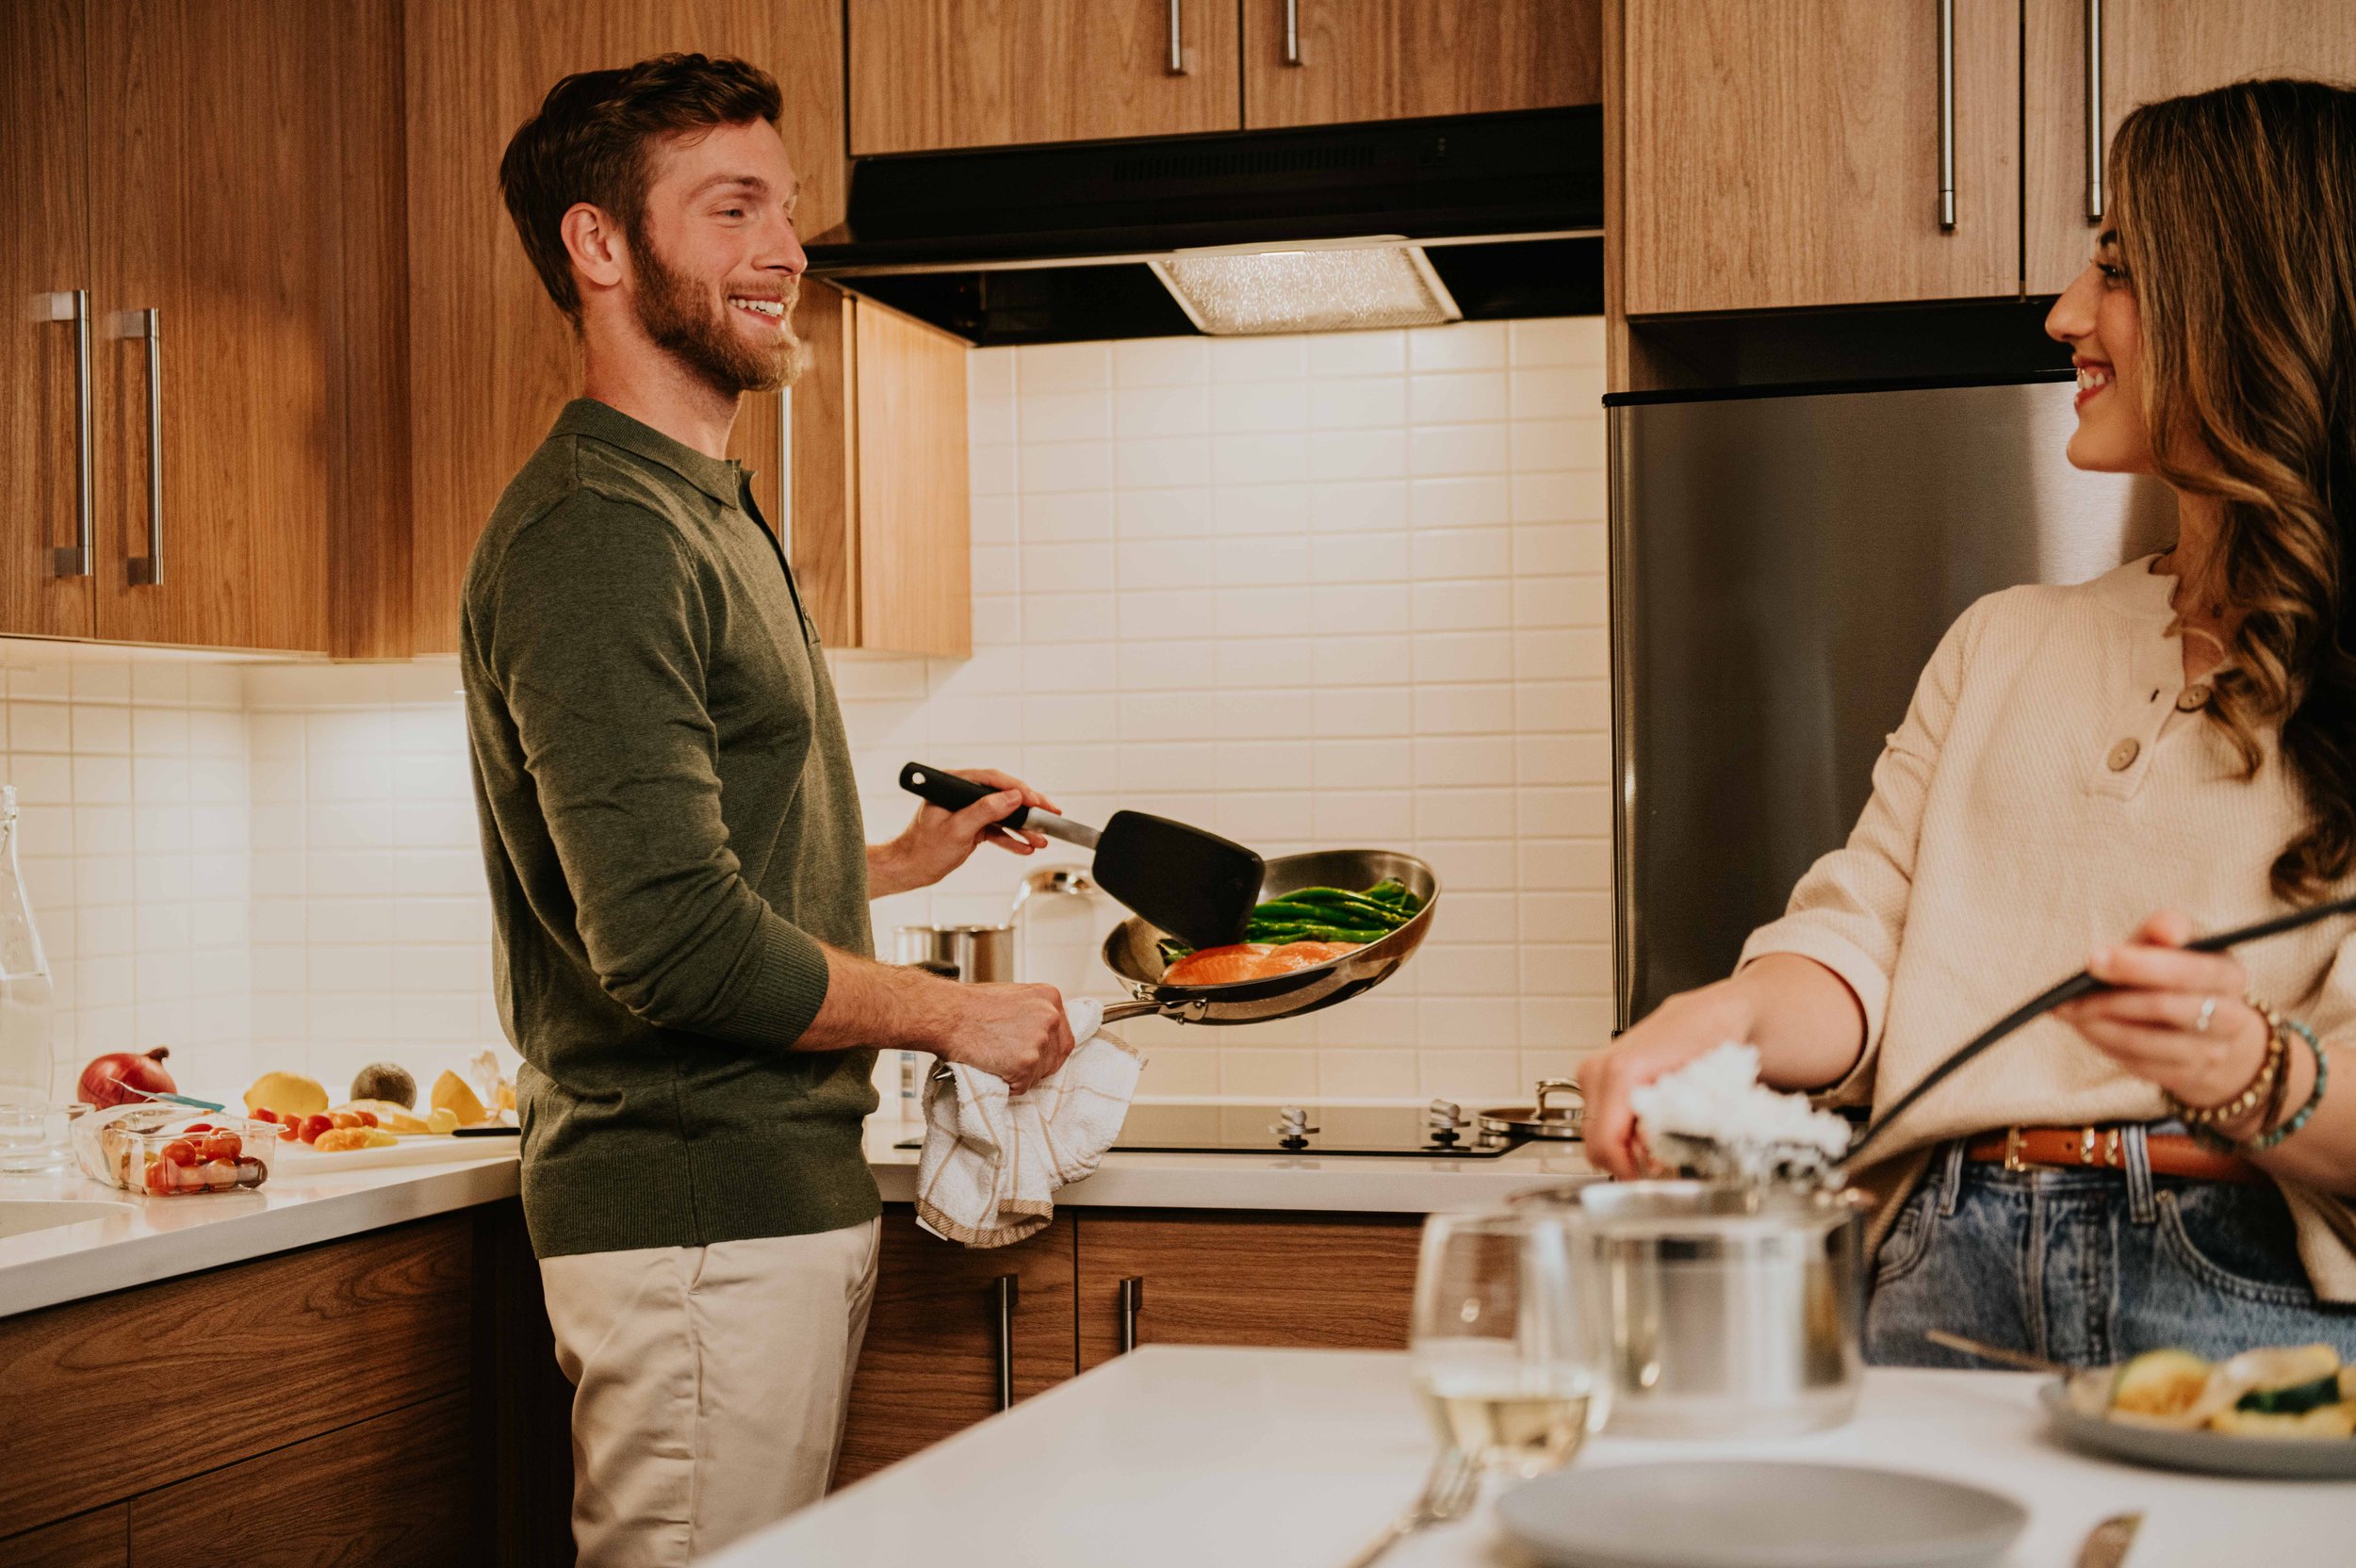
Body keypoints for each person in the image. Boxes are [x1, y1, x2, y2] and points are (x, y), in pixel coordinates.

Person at [1579, 77, 2356, 1368]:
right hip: (1937, 1273)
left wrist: (2247, 1062)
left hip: (2248, 1300)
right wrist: (1721, 1018)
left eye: (2115, 271)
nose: (2062, 315)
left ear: (2251, 299)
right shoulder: (2005, 640)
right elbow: (1861, 947)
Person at [465, 54, 1076, 1565]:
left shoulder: (699, 506)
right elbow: (670, 944)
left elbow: (700, 872)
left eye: (785, 209)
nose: (786, 249)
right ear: (600, 248)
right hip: (691, 1218)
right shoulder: (599, 536)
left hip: (754, 1208)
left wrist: (892, 865)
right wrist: (955, 1017)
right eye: (731, 207)